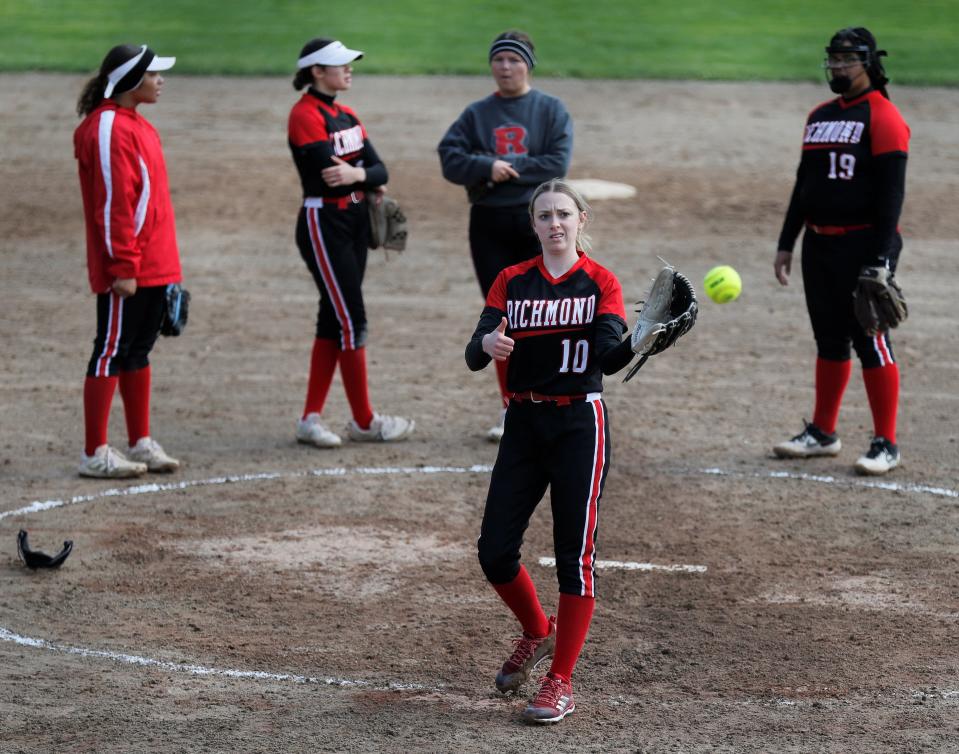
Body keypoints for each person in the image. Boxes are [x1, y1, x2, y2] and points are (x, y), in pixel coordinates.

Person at [465, 179, 641, 724]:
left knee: (575, 557)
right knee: (494, 551)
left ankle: (560, 680)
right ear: (534, 224)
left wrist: (642, 340)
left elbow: (610, 359)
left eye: (564, 214)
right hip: (523, 422)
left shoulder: (600, 283)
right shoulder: (511, 282)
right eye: (545, 216)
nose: (555, 223)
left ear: (581, 220)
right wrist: (488, 343)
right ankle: (538, 631)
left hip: (578, 425)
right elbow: (476, 351)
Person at [773, 27, 910, 476]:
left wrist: (881, 259)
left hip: (863, 244)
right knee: (829, 339)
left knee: (871, 340)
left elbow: (892, 197)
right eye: (832, 58)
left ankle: (886, 442)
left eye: (846, 59)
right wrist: (786, 242)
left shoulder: (884, 117)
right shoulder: (819, 116)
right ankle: (823, 433)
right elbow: (803, 183)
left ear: (868, 63)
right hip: (819, 244)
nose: (836, 66)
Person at [440, 30, 573, 442]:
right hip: (489, 224)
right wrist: (485, 166)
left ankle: (552, 397)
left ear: (528, 65)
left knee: (549, 310)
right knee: (502, 316)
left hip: (538, 220)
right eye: (498, 60)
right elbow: (450, 158)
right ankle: (511, 406)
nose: (505, 67)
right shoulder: (477, 113)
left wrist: (505, 168)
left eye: (514, 60)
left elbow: (556, 163)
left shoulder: (550, 109)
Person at [288, 38, 414, 447]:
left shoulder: (345, 114)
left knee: (333, 317)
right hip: (324, 222)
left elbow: (378, 170)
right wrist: (363, 174)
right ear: (316, 71)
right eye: (340, 65)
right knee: (350, 319)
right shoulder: (304, 115)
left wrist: (359, 175)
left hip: (354, 220)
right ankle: (363, 420)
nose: (349, 70)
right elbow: (328, 172)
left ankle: (310, 419)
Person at [74, 44, 183, 478]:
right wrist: (123, 266)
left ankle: (139, 442)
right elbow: (114, 205)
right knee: (110, 351)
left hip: (155, 260)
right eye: (154, 75)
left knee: (138, 350)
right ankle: (93, 451)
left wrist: (164, 267)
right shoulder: (106, 129)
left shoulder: (138, 125)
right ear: (131, 79)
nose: (161, 81)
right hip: (129, 264)